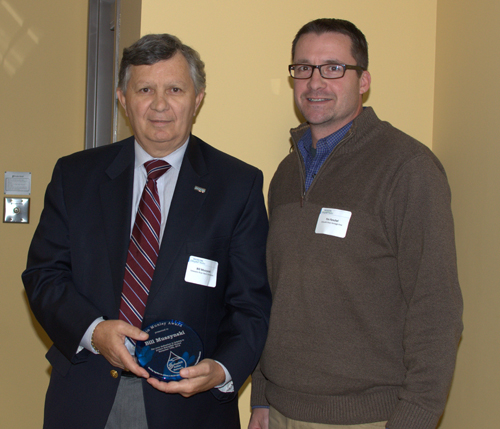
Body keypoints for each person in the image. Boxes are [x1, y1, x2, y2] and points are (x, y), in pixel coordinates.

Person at [22, 33, 271, 429]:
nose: (159, 105)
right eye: (144, 89)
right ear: (123, 99)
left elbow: (252, 304)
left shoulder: (237, 186)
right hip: (86, 394)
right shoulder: (76, 175)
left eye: (175, 89)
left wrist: (222, 370)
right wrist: (94, 331)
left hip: (190, 408)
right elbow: (43, 275)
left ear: (198, 98)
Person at [249, 18, 463, 429]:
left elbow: (437, 306)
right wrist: (261, 395)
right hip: (278, 412)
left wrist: (414, 419)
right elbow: (273, 291)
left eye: (333, 67)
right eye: (303, 68)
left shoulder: (408, 168)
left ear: (363, 80)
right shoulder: (284, 174)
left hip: (368, 419)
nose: (315, 82)